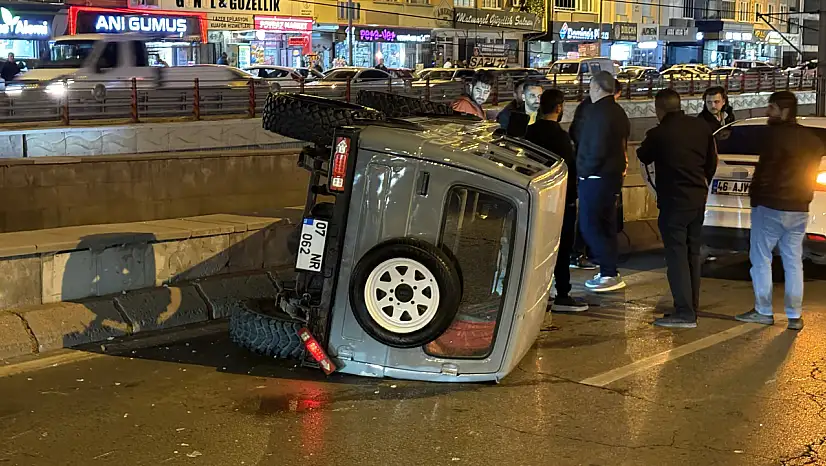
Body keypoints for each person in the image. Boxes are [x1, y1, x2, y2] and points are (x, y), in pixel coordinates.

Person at [735, 92, 825, 331]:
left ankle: (763, 310)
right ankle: (794, 315)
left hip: (771, 206)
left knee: (761, 258)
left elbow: (765, 172)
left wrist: (755, 197)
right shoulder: (813, 141)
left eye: (771, 108)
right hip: (799, 208)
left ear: (784, 110)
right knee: (793, 261)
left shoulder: (773, 137)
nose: (768, 112)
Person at [637, 89, 718, 328]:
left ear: (658, 108)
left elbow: (642, 155)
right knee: (693, 254)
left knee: (676, 257)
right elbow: (712, 163)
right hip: (697, 199)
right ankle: (692, 305)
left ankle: (684, 312)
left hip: (674, 203)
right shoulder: (701, 128)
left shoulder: (658, 133)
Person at [525, 89, 588, 312]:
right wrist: (572, 199)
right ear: (559, 108)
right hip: (560, 201)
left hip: (533, 199)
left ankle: (536, 293)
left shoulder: (528, 132)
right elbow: (569, 170)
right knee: (561, 248)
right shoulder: (562, 138)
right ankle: (562, 293)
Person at [575, 71, 630, 292]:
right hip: (611, 177)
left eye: (590, 85)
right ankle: (609, 270)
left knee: (590, 226)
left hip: (595, 177)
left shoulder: (597, 112)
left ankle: (608, 272)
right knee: (606, 225)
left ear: (597, 87)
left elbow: (594, 147)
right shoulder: (617, 111)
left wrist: (583, 172)